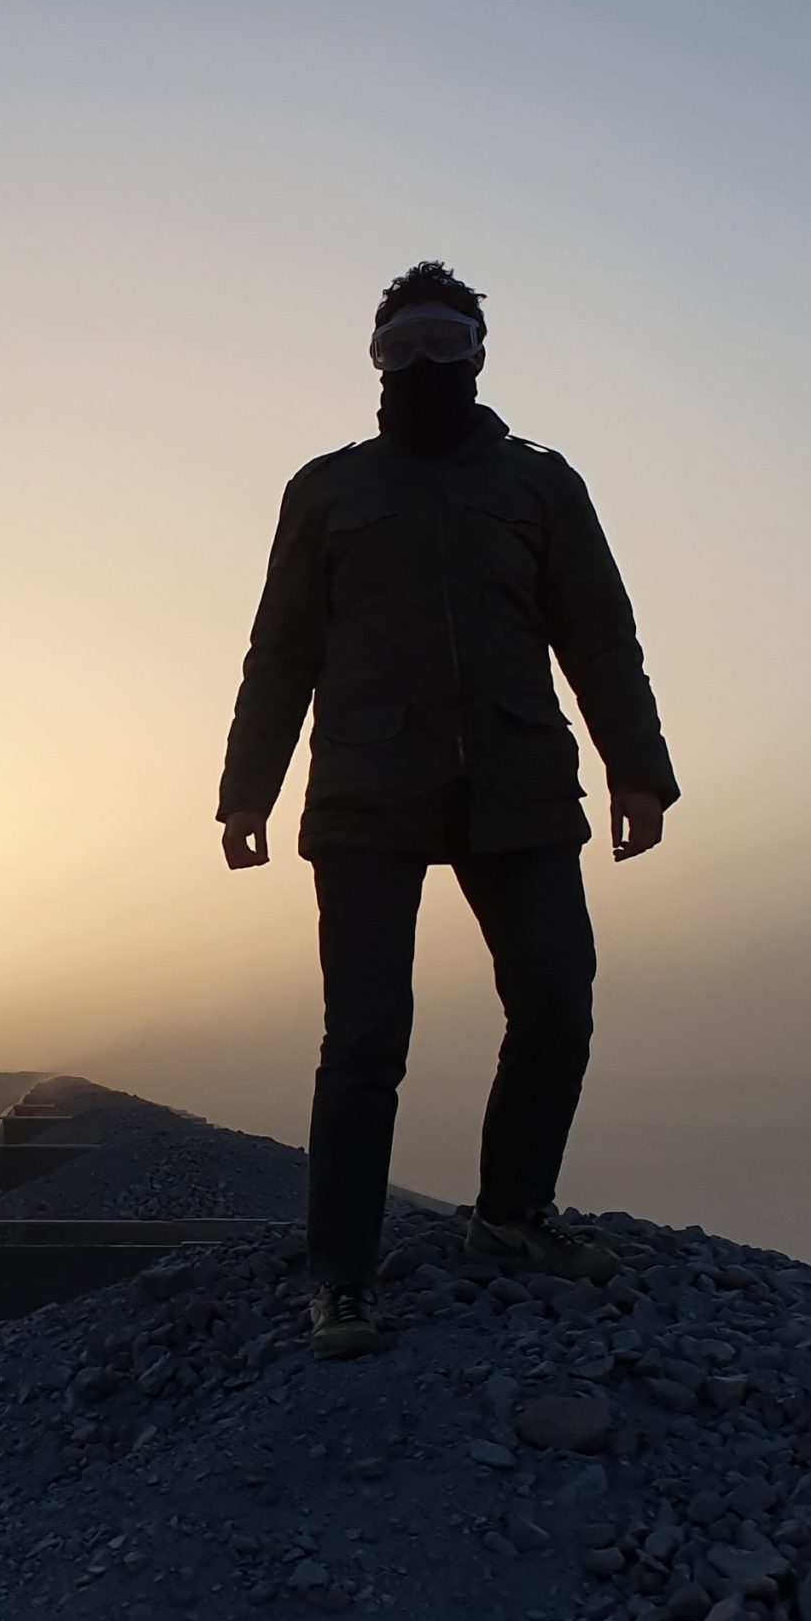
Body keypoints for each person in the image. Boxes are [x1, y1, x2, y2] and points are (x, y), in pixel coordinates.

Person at [216, 260, 680, 1359]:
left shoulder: (541, 484)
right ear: (374, 362)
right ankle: (340, 1280)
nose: (422, 363)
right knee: (367, 1038)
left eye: (442, 339)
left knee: (558, 1004)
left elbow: (599, 636)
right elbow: (280, 651)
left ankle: (510, 1219)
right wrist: (248, 790)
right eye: (400, 345)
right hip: (367, 795)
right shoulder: (325, 490)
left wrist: (639, 769)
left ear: (477, 351)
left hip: (516, 787)